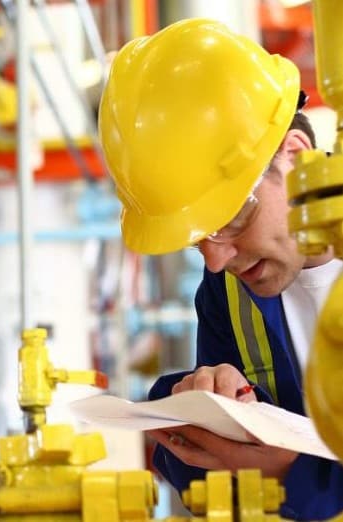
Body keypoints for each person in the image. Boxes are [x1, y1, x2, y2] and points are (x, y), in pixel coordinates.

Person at [98, 18, 343, 520]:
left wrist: (299, 477)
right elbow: (203, 473)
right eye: (197, 238)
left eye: (231, 219)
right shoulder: (228, 292)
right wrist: (195, 397)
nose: (215, 259)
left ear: (294, 157)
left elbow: (301, 478)